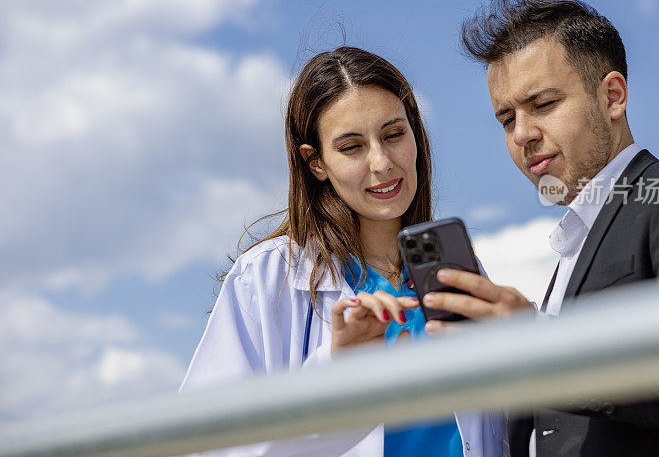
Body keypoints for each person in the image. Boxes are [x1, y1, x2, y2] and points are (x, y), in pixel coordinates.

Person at [419, 0, 659, 456]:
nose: (521, 134)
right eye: (506, 118)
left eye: (542, 103)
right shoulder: (571, 252)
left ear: (612, 96)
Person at [179, 46, 505, 456]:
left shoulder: (460, 270)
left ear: (415, 133)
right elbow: (206, 445)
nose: (382, 163)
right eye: (352, 147)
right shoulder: (268, 278)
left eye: (393, 134)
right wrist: (337, 374)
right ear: (316, 163)